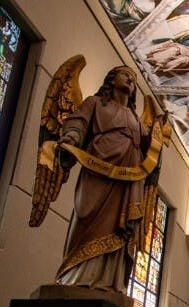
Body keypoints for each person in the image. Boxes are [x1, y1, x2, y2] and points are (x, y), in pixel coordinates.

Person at [54, 65, 154, 293]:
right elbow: (77, 123)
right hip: (99, 169)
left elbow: (149, 149)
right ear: (111, 79)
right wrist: (71, 138)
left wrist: (157, 133)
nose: (130, 79)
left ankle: (109, 280)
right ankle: (76, 274)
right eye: (125, 74)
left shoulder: (135, 119)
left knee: (120, 227)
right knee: (89, 216)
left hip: (128, 178)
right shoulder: (95, 103)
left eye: (133, 78)